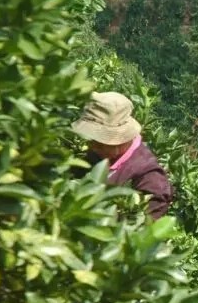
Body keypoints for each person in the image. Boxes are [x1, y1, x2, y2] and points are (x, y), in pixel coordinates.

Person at [71, 91, 174, 220]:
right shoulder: (98, 153)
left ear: (121, 138)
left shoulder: (149, 178)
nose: (92, 146)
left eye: (100, 141)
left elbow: (142, 231)